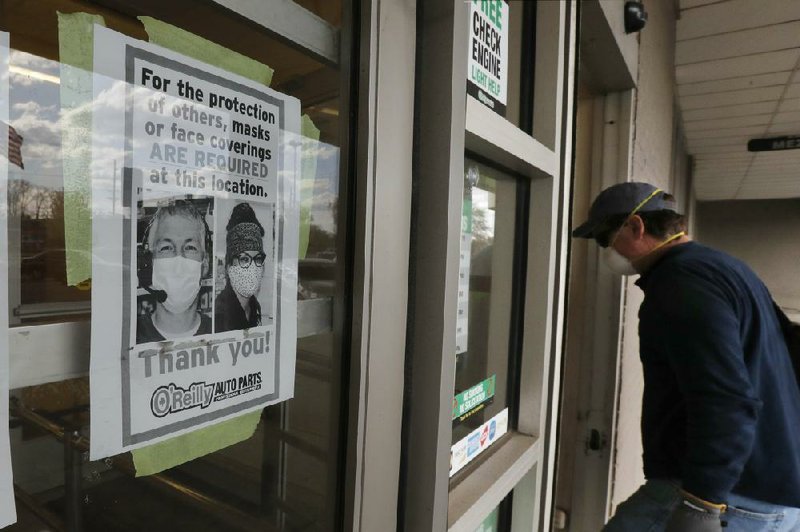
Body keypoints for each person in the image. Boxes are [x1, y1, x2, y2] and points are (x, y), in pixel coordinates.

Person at [572, 182, 800, 531]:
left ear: (636, 226)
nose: (606, 249)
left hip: (731, 497)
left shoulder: (680, 282)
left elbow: (724, 397)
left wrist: (702, 503)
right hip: (765, 490)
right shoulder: (726, 267)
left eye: (605, 237)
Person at [137, 200, 212, 342]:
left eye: (190, 248)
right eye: (166, 248)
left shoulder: (221, 331)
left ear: (205, 264)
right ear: (149, 263)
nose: (179, 262)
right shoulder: (134, 336)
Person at [214, 202, 266, 332]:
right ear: (229, 266)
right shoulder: (220, 315)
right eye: (244, 259)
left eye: (258, 259)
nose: (253, 267)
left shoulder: (254, 306)